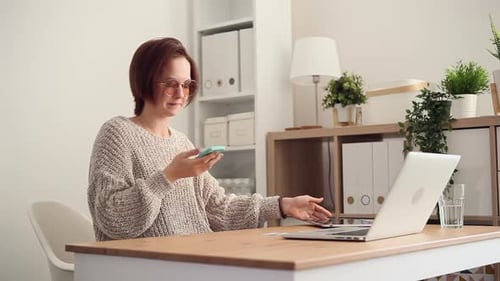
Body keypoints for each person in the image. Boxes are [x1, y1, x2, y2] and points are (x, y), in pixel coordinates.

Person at [87, 37, 332, 241]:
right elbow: (113, 218)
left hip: (194, 259)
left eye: (187, 84)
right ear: (144, 81)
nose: (180, 94)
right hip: (148, 267)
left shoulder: (180, 142)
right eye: (171, 83)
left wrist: (282, 205)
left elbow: (218, 209)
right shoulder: (117, 133)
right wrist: (168, 176)